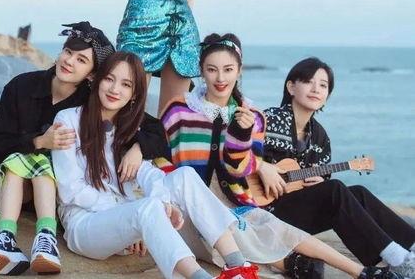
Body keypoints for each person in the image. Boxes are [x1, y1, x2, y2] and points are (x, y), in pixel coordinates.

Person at [158, 34, 403, 279]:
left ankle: (383, 264)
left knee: (344, 197)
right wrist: (262, 166)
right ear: (202, 71)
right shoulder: (181, 109)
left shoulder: (268, 121)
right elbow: (159, 151)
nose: (220, 78)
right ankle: (298, 264)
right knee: (315, 205)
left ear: (239, 71)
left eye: (228, 69)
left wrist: (242, 135)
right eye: (212, 70)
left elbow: (239, 167)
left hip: (244, 201)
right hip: (207, 201)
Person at [0, 22, 167, 276]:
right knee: (26, 159)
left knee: (43, 166)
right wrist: (39, 142)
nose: (69, 61)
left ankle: (44, 238)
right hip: (18, 188)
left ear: (92, 75)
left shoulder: (91, 103)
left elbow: (154, 129)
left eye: (81, 60)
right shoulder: (22, 87)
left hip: (61, 197)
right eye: (68, 52)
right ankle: (5, 239)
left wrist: (138, 148)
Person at [52, 51, 261, 279]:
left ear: (134, 94)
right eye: (109, 79)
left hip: (126, 215)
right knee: (148, 207)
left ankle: (237, 265)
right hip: (85, 224)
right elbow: (71, 190)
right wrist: (132, 213)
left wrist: (163, 203)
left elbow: (147, 173)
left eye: (126, 84)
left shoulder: (130, 126)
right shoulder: (68, 120)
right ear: (97, 79)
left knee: (185, 176)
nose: (114, 90)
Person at [262, 57, 415, 279]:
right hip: (263, 212)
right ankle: (398, 259)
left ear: (327, 95)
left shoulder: (320, 137)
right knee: (334, 189)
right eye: (308, 81)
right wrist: (263, 167)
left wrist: (319, 184)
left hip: (296, 214)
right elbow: (238, 153)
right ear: (291, 87)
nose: (316, 89)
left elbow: (320, 188)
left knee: (358, 193)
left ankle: (403, 252)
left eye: (323, 85)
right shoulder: (269, 120)